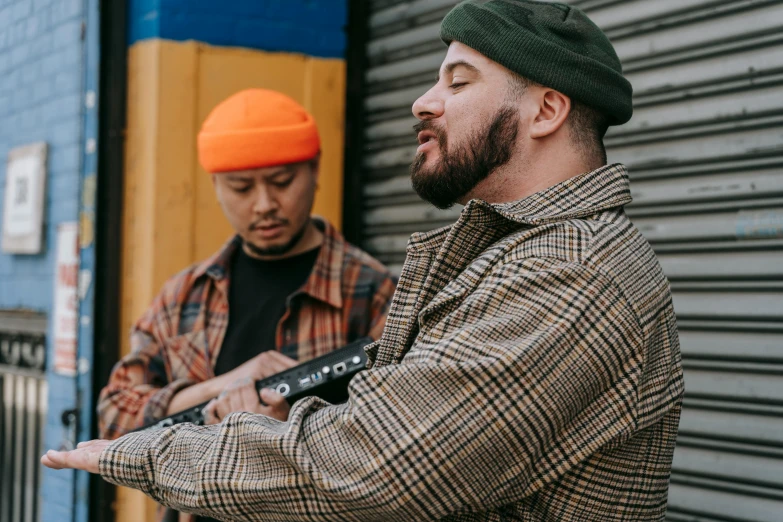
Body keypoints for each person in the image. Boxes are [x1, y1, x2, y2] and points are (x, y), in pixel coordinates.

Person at [43, 2, 684, 520]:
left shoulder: (572, 272)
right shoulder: (507, 256)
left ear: (547, 110)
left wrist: (166, 452)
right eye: (241, 186)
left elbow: (377, 463)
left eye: (458, 82)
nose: (423, 102)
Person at [93, 89, 396, 522]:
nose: (264, 204)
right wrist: (215, 390)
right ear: (216, 185)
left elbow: (395, 444)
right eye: (240, 187)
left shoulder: (373, 292)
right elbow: (113, 420)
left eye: (281, 181)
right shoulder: (183, 294)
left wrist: (286, 429)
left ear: (314, 170)